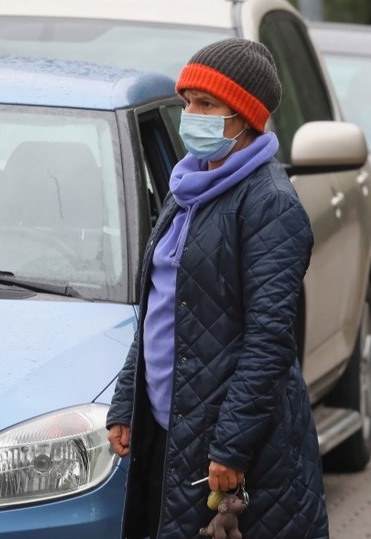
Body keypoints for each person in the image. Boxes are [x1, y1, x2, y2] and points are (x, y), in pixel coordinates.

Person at [106, 38, 329, 538]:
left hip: (234, 444)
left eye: (207, 105)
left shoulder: (269, 203)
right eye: (187, 103)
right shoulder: (187, 187)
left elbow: (269, 340)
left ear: (245, 117)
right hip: (174, 428)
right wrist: (128, 402)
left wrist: (231, 447)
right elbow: (159, 307)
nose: (192, 116)